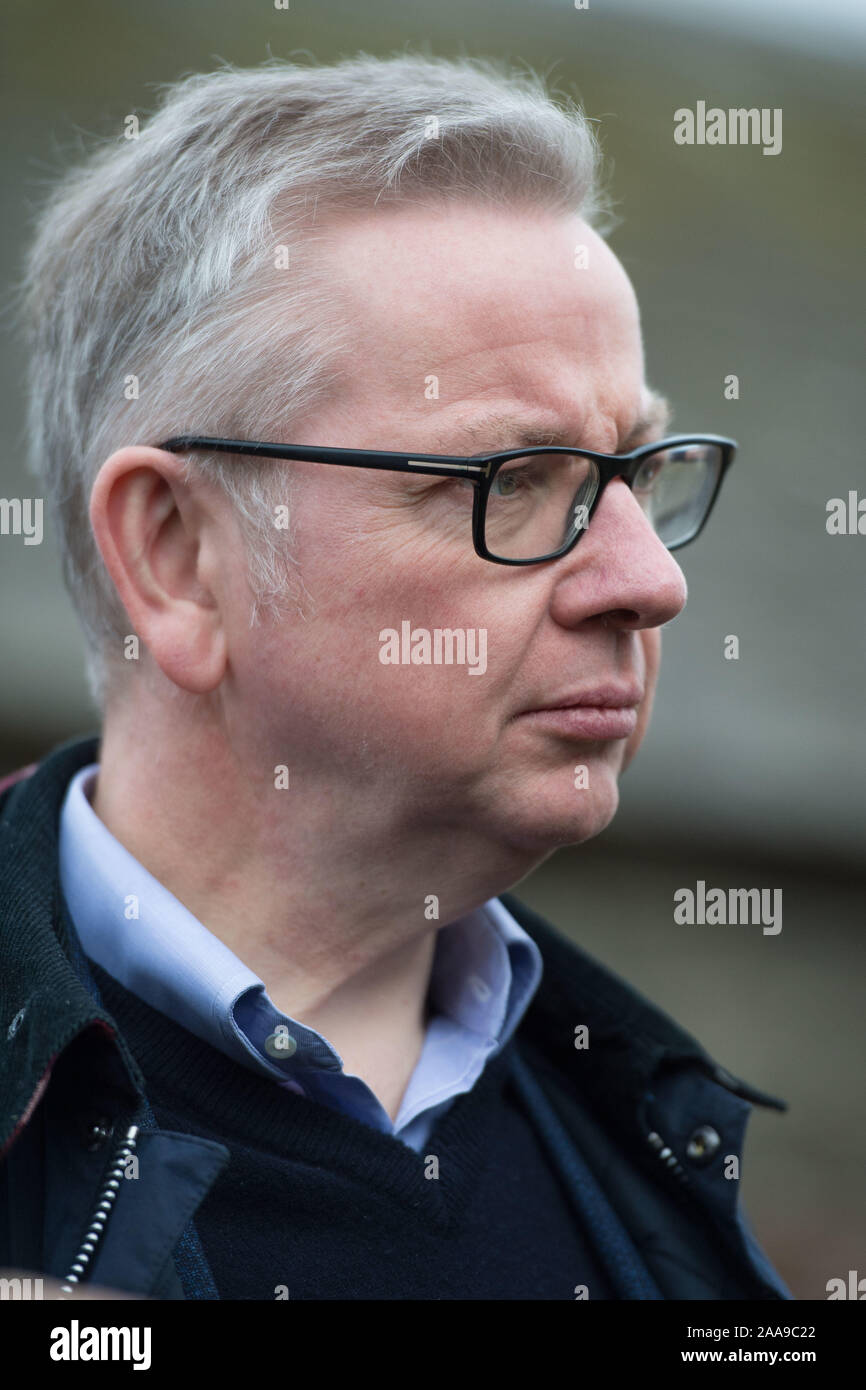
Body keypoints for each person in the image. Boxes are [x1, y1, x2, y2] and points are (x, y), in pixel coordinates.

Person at [0, 53, 791, 1300]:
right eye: (509, 481)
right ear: (177, 556)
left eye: (633, 473)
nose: (646, 581)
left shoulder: (650, 1164)